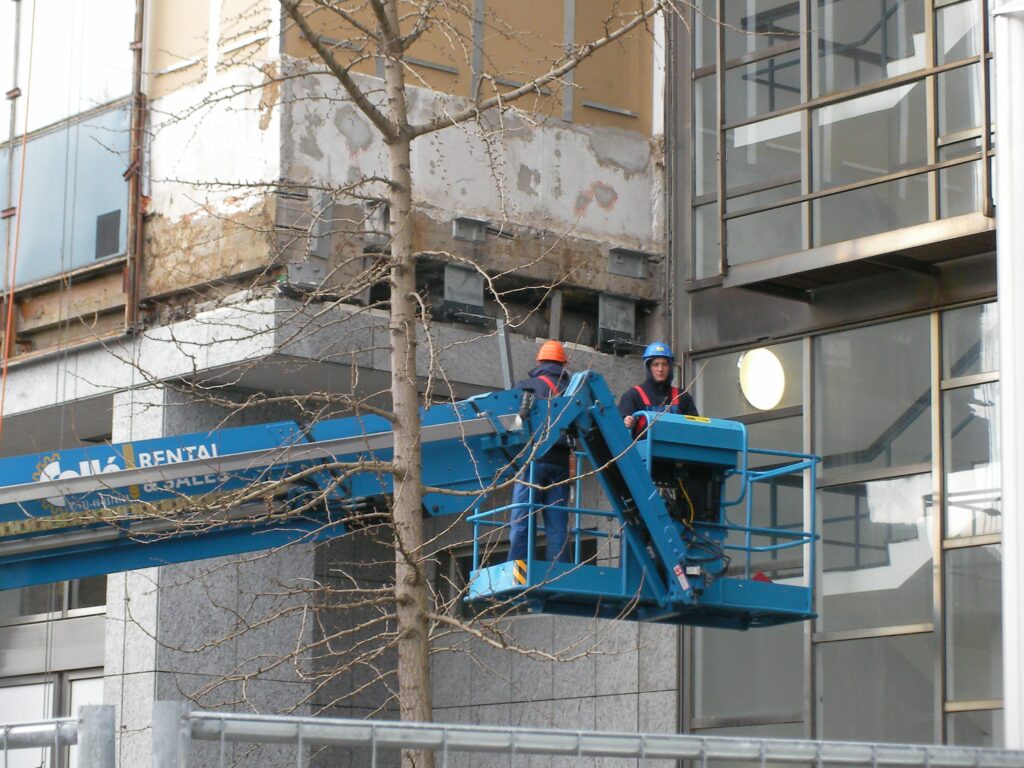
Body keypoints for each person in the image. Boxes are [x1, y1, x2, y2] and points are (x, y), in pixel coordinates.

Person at [507, 340, 573, 564]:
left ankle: (518, 565)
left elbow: (512, 424)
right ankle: (558, 570)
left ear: (539, 361)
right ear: (563, 363)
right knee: (557, 524)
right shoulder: (572, 390)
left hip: (532, 460)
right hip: (561, 462)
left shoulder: (527, 386)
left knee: (522, 517)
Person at [618, 341, 698, 435]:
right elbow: (619, 431)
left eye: (664, 364)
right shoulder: (633, 396)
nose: (660, 369)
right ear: (648, 367)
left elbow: (695, 428)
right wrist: (627, 422)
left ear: (670, 367)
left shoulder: (683, 397)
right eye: (656, 364)